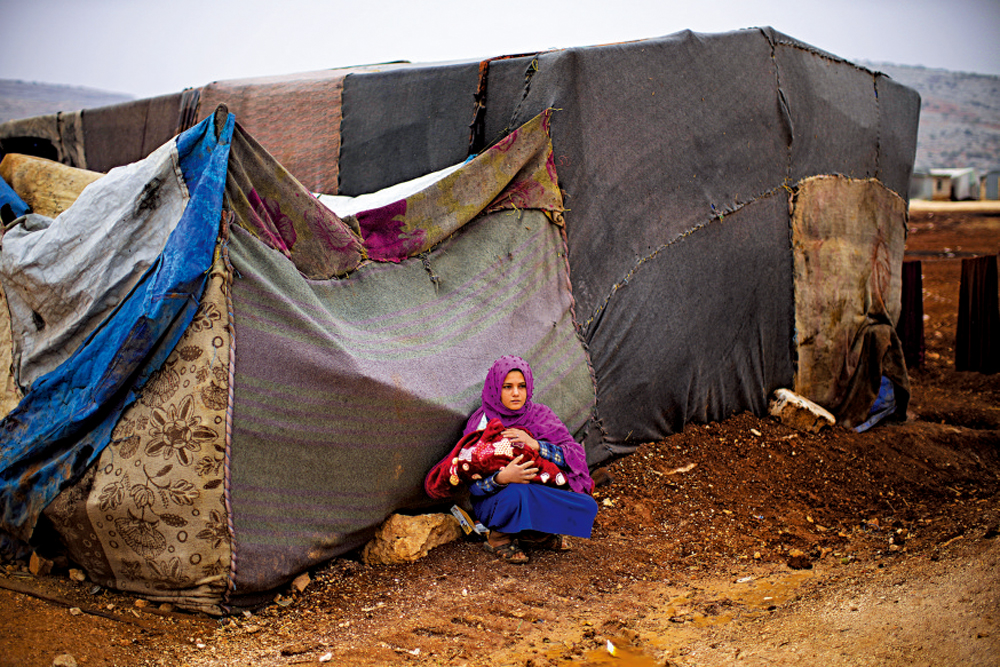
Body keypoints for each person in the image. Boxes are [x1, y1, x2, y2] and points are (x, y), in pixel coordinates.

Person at [462, 355, 597, 564]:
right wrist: (502, 478)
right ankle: (499, 537)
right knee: (517, 492)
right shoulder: (482, 423)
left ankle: (534, 535)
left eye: (521, 386)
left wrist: (537, 445)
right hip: (498, 500)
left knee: (586, 507)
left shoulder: (541, 416)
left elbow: (574, 455)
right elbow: (472, 485)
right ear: (495, 387)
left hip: (536, 490)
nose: (516, 393)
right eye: (507, 387)